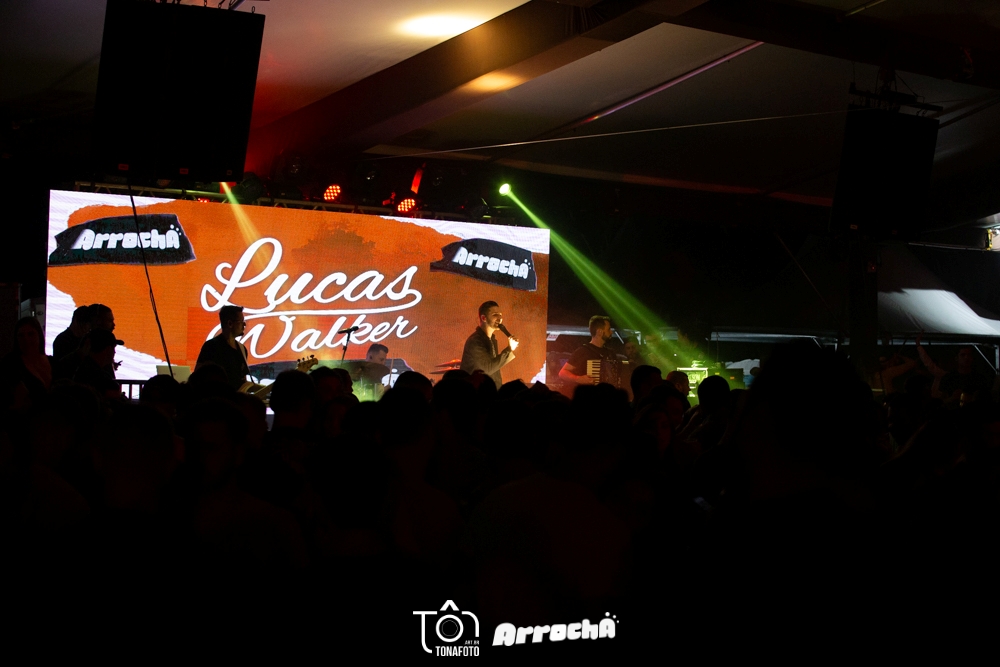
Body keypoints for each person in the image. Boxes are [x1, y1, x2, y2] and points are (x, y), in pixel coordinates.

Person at [460, 300, 518, 390]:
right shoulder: (475, 341)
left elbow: (494, 371)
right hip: (477, 394)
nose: (500, 318)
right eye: (495, 315)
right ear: (484, 318)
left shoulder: (492, 340)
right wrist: (509, 350)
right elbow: (487, 368)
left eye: (500, 315)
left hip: (489, 393)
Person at [0, 317, 53, 410]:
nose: (26, 339)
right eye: (21, 335)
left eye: (31, 334)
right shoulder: (10, 363)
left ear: (39, 335)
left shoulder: (53, 362)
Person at [195, 305, 250, 391]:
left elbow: (243, 381)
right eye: (241, 321)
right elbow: (197, 377)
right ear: (230, 323)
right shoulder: (211, 347)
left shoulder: (242, 349)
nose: (244, 324)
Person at [558, 315, 617, 386]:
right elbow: (562, 373)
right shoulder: (583, 351)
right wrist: (578, 378)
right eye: (608, 329)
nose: (611, 332)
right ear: (599, 332)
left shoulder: (610, 353)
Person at [74, 328, 123, 398]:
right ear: (108, 350)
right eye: (113, 348)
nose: (114, 352)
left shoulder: (79, 369)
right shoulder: (103, 380)